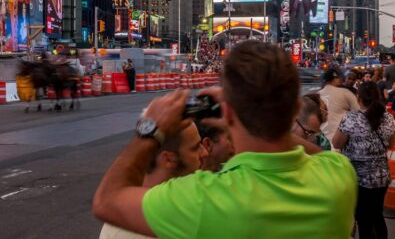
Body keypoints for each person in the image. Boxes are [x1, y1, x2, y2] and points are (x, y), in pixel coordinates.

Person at [92, 43, 358, 238]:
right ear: (293, 111)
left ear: (227, 111)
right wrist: (256, 118)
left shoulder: (203, 199)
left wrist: (151, 128)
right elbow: (315, 153)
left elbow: (107, 201)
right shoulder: (339, 176)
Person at [100, 122, 204, 239]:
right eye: (195, 148)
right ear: (168, 159)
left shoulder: (175, 201)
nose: (204, 152)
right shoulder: (131, 233)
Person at [332, 81, 395, 239]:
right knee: (377, 215)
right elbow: (391, 143)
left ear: (358, 97)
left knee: (362, 218)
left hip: (357, 178)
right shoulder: (388, 118)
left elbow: (336, 143)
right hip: (381, 177)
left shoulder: (351, 118)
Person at [318, 67, 359, 147]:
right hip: (340, 142)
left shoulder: (317, 95)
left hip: (321, 141)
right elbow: (358, 115)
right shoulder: (345, 93)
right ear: (335, 79)